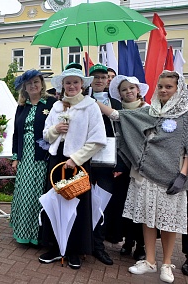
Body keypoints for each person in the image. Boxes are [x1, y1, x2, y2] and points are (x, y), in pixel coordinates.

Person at [97, 70, 188, 283]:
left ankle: (166, 264)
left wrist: (183, 175)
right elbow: (119, 116)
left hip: (171, 177)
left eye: (169, 87)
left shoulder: (185, 115)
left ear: (178, 89)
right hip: (146, 174)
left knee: (168, 222)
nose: (164, 90)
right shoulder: (152, 111)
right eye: (161, 86)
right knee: (147, 219)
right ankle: (149, 261)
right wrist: (91, 102)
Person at [39, 68, 107, 269]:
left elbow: (97, 140)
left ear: (82, 85)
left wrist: (76, 159)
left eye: (75, 82)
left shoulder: (90, 106)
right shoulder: (57, 107)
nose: (71, 86)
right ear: (62, 86)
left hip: (77, 163)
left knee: (76, 207)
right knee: (55, 204)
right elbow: (45, 134)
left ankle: (75, 250)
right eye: (67, 83)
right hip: (57, 161)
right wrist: (55, 130)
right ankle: (54, 247)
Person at [10, 69, 57, 245]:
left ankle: (39, 236)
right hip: (25, 158)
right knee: (25, 195)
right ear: (24, 87)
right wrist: (16, 157)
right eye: (29, 83)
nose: (33, 85)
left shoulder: (51, 103)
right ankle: (23, 233)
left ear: (42, 84)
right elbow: (17, 133)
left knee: (39, 195)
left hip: (42, 157)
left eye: (36, 82)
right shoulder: (22, 106)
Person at [106, 75, 149, 262]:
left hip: (144, 167)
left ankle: (142, 245)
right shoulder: (119, 112)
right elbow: (119, 142)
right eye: (124, 89)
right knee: (126, 206)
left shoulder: (149, 111)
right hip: (125, 166)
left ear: (138, 90)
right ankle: (128, 242)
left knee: (142, 208)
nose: (128, 92)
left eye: (132, 88)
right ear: (120, 93)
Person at [88, 64, 122, 266]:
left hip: (107, 163)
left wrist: (120, 164)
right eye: (95, 77)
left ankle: (98, 246)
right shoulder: (83, 101)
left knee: (101, 206)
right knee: (83, 204)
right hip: (86, 161)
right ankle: (83, 243)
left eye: (103, 77)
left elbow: (123, 135)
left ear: (108, 80)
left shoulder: (116, 104)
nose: (99, 80)